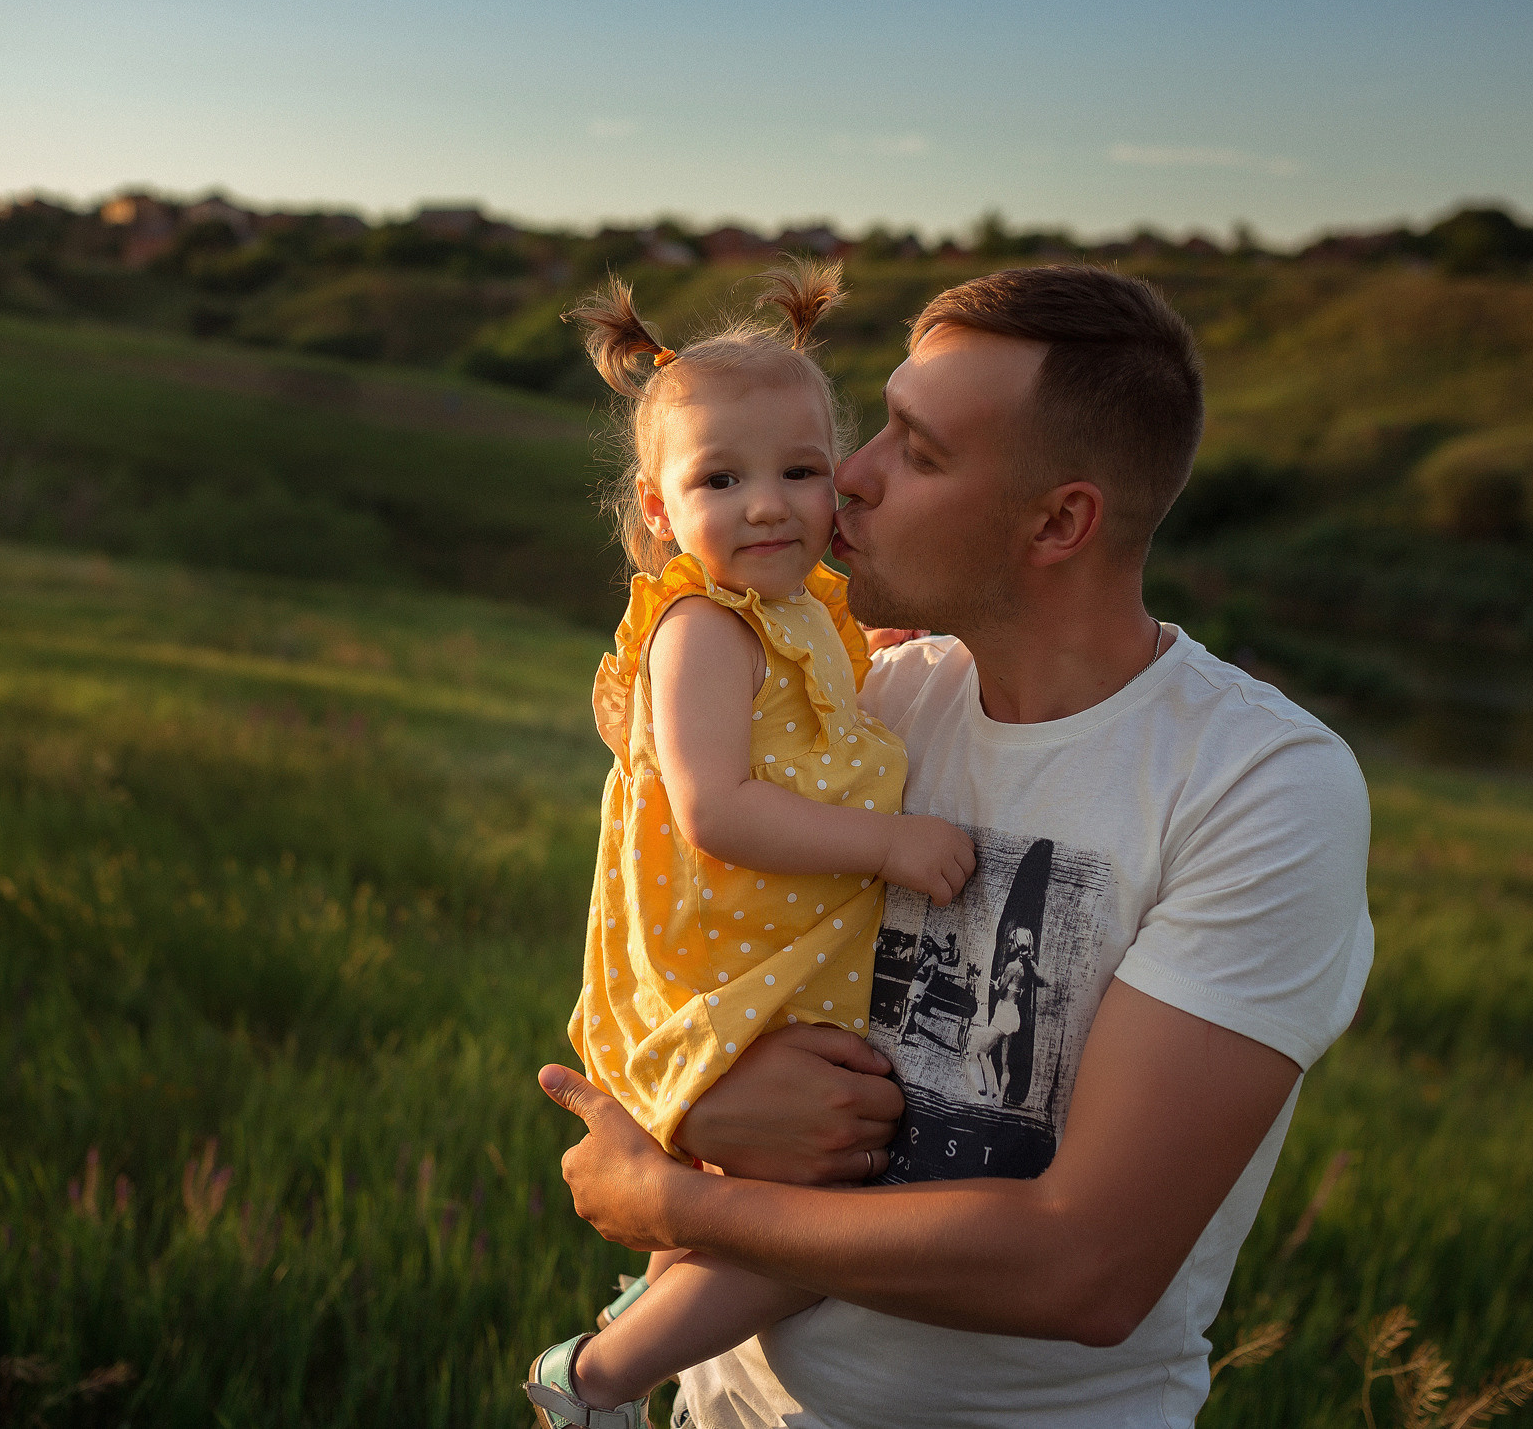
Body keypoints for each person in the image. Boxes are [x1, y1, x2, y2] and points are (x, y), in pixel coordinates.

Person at [540, 265, 1375, 1428]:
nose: (854, 476)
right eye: (874, 426)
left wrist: (671, 1200)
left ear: (1060, 521)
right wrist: (695, 1108)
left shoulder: (1259, 787)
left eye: (918, 453)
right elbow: (672, 927)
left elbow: (1085, 1269)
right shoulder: (868, 698)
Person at [523, 262, 978, 1429]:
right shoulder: (699, 630)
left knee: (768, 1191)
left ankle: (658, 1303)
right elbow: (715, 807)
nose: (767, 504)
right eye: (721, 478)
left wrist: (859, 655)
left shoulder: (795, 615)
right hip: (723, 967)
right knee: (819, 1223)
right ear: (661, 509)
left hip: (774, 960)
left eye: (800, 471)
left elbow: (806, 720)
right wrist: (889, 843)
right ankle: (591, 1379)